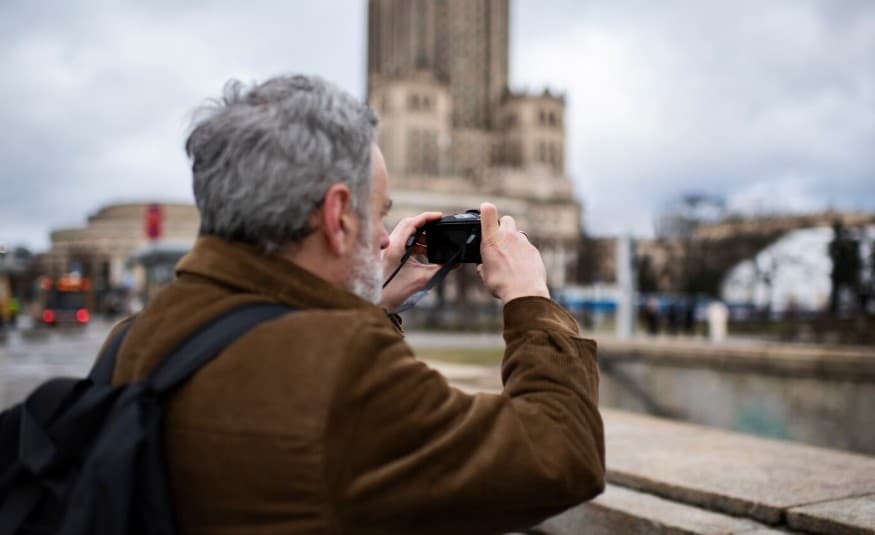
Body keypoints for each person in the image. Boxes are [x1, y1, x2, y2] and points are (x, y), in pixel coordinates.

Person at [102, 74, 604, 534]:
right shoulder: (342, 369)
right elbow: (560, 455)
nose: (387, 239)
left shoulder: (133, 338)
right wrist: (530, 299)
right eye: (378, 214)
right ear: (337, 214)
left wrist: (371, 301)